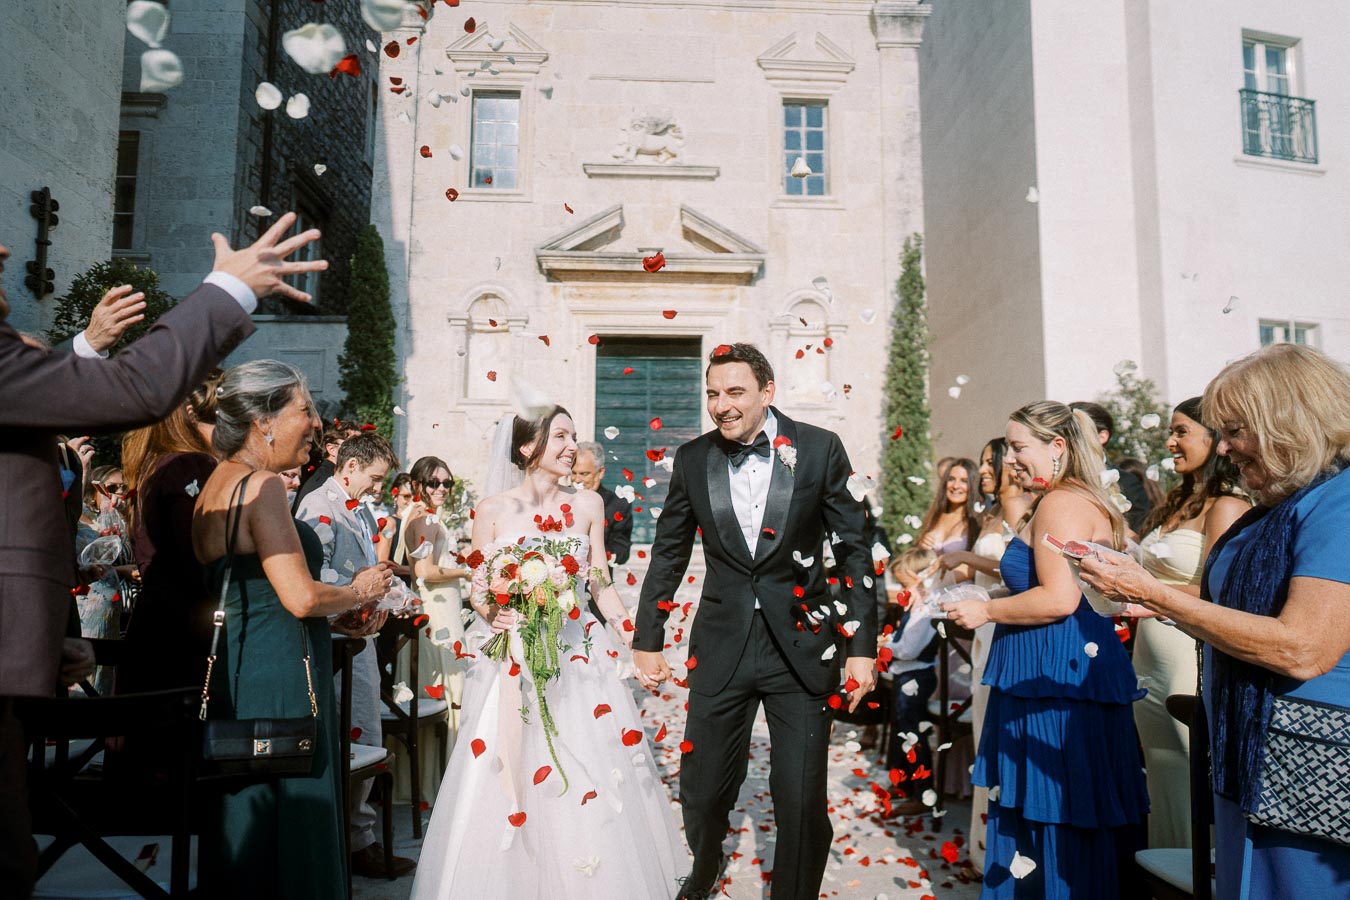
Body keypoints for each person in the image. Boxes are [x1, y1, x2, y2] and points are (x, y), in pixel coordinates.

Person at [0, 214, 321, 899]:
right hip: (186, 648)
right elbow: (131, 394)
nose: (2, 248)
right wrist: (228, 288)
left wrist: (41, 633)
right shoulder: (192, 475)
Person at [1080, 344, 1350, 898]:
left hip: (1312, 775)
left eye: (1234, 430)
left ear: (1288, 421)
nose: (1223, 448)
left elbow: (1304, 648)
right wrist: (1139, 591)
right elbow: (1224, 599)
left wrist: (1155, 594)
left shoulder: (1340, 504)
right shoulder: (1277, 506)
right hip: (1248, 757)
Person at [632, 343, 877, 900]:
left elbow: (854, 552)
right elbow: (669, 553)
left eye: (735, 392)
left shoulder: (819, 448)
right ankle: (706, 862)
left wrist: (862, 647)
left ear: (767, 392)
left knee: (800, 794)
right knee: (700, 788)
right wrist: (648, 638)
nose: (721, 404)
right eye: (713, 394)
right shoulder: (692, 459)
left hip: (803, 646)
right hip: (722, 646)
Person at [410, 408, 685, 899]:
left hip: (580, 659)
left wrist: (636, 640)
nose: (571, 447)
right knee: (508, 770)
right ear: (526, 448)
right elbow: (478, 586)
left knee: (586, 767)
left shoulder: (589, 506)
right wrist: (493, 608)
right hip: (513, 657)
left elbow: (599, 583)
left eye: (574, 437)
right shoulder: (493, 509)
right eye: (560, 436)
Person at [192, 360, 392, 899]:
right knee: (295, 815)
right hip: (284, 677)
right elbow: (301, 596)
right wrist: (360, 591)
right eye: (304, 409)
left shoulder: (214, 484)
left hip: (241, 668)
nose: (316, 423)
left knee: (247, 817)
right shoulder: (262, 488)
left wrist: (339, 610)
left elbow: (256, 589)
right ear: (264, 421)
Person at [944, 401, 1148, 899]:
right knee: (1051, 808)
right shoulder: (1064, 499)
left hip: (1057, 677)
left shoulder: (1064, 503)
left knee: (1057, 808)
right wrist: (992, 596)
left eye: (1018, 447)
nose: (1010, 459)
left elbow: (1060, 599)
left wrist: (987, 613)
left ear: (1057, 447)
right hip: (1052, 668)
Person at [296, 431, 416, 879]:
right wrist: (358, 601)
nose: (378, 488)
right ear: (349, 468)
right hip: (335, 642)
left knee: (364, 728)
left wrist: (388, 599)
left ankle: (357, 835)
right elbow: (315, 571)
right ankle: (352, 841)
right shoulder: (318, 506)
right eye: (374, 478)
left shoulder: (357, 509)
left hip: (356, 637)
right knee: (355, 733)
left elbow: (366, 569)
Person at [1129, 398, 1248, 850]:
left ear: (1214, 439)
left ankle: (1199, 876)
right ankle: (1166, 874)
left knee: (1189, 774)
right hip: (1148, 664)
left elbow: (1220, 595)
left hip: (1186, 661)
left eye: (1181, 432)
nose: (1170, 442)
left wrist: (1144, 590)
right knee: (1162, 780)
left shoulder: (1227, 506)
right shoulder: (1177, 503)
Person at [937, 436, 1028, 871]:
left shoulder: (1019, 507)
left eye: (989, 464)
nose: (985, 471)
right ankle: (980, 846)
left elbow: (1017, 566)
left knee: (993, 733)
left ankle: (992, 849)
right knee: (981, 734)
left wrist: (972, 556)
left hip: (1000, 622)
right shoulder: (991, 512)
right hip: (982, 625)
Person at [118, 372, 224, 696]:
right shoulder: (190, 465)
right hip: (184, 629)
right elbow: (198, 556)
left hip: (157, 620)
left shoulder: (155, 463)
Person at [404, 456, 472, 726]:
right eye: (433, 483)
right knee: (452, 683)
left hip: (433, 606)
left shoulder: (416, 513)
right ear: (417, 484)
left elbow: (414, 569)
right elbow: (425, 571)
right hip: (439, 611)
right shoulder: (425, 518)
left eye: (447, 483)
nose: (441, 488)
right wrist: (465, 570)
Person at [882, 548, 941, 816]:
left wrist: (885, 644)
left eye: (904, 584)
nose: (901, 591)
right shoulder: (917, 606)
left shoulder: (927, 609)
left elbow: (909, 649)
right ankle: (905, 782)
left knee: (914, 734)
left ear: (921, 579)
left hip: (917, 675)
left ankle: (922, 792)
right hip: (906, 673)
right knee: (902, 731)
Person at [571, 440, 632, 622]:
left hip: (596, 594)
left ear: (601, 472)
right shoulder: (561, 499)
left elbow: (622, 551)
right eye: (573, 473)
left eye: (584, 474)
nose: (577, 480)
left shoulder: (618, 505)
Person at [1070, 400, 1153, 533]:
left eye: (1076, 434)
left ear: (1101, 437)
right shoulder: (1058, 477)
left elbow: (1139, 531)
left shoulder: (1127, 482)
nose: (1069, 440)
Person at [918, 457, 981, 556]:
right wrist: (920, 546)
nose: (955, 486)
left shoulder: (978, 521)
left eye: (964, 481)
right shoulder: (934, 514)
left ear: (973, 485)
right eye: (951, 479)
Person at [293, 425, 358, 511]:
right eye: (352, 445)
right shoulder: (323, 480)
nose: (360, 451)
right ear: (331, 449)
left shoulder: (334, 477)